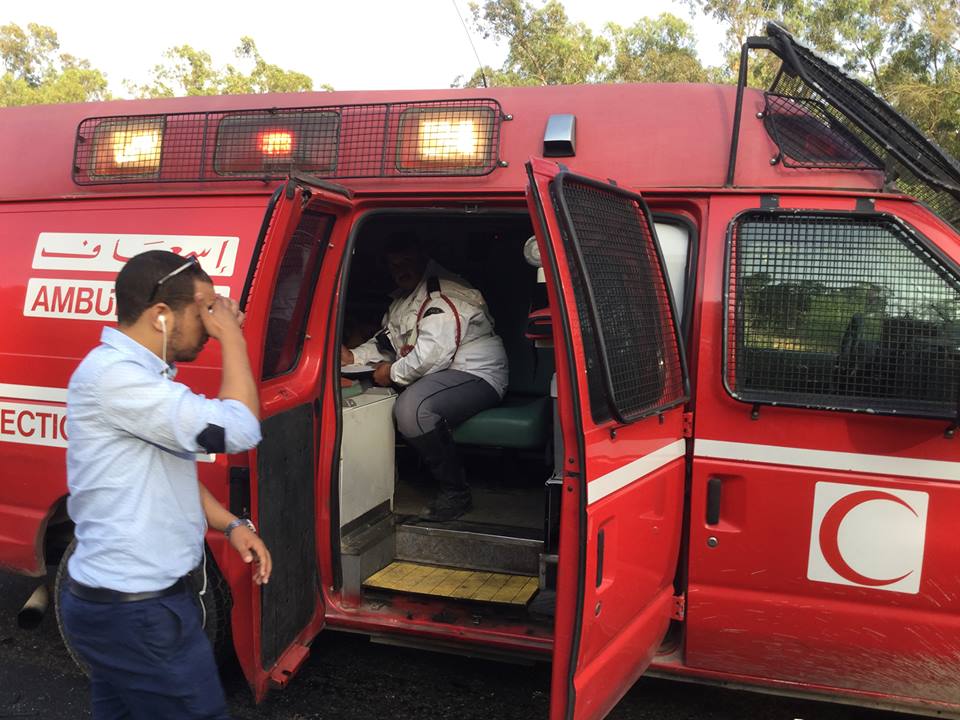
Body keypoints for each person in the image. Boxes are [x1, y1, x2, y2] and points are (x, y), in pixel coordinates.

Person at [60, 250, 271, 720]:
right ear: (161, 316)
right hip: (136, 613)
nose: (212, 322)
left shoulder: (136, 378)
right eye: (204, 310)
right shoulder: (116, 380)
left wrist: (231, 523)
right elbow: (238, 429)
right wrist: (234, 339)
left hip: (128, 608)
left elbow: (163, 468)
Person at [342, 233, 508, 522]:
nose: (400, 270)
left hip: (476, 374)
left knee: (413, 408)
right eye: (394, 265)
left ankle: (456, 492)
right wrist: (354, 357)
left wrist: (391, 372)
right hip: (439, 376)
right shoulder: (404, 299)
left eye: (406, 261)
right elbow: (387, 342)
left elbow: (431, 356)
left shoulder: (441, 295)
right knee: (359, 390)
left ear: (424, 258)